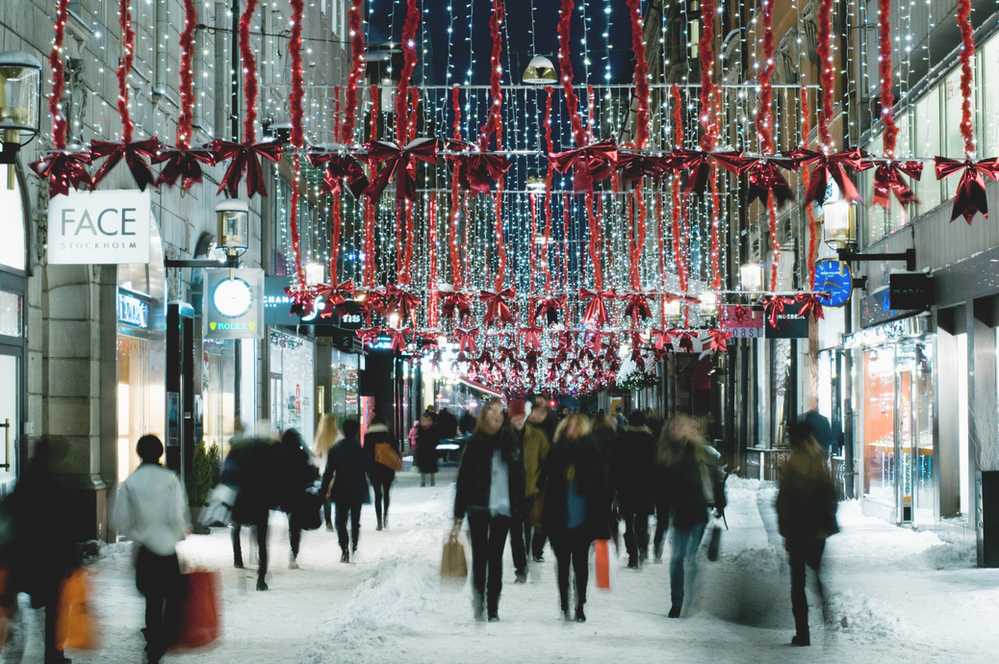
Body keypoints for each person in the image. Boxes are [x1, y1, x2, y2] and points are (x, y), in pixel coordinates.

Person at [113, 435, 191, 664]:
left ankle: (153, 643)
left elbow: (120, 519)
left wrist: (138, 533)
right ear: (160, 452)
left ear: (139, 453)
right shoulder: (170, 479)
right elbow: (177, 515)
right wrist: (182, 530)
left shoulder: (130, 482)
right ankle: (164, 639)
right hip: (167, 549)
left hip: (146, 550)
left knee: (152, 600)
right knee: (171, 596)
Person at [3, 438, 78, 664]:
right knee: (54, 609)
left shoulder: (22, 483)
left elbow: (9, 516)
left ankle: (14, 654)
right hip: (50, 558)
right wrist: (72, 559)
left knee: (14, 608)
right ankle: (53, 654)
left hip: (22, 555)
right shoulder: (55, 486)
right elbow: (65, 527)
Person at [452, 399, 524, 622]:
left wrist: (518, 505)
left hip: (503, 508)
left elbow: (520, 475)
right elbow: (463, 481)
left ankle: (493, 606)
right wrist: (458, 514)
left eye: (499, 417)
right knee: (480, 558)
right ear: (483, 420)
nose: (495, 421)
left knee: (495, 558)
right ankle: (478, 603)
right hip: (478, 508)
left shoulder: (510, 441)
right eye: (491, 417)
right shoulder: (473, 445)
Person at [539, 413, 609, 623]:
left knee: (580, 565)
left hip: (583, 518)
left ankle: (580, 605)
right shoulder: (556, 451)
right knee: (562, 565)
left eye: (576, 427)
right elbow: (542, 481)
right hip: (558, 517)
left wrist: (604, 517)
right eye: (569, 427)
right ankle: (564, 604)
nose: (572, 431)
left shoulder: (592, 453)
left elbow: (601, 487)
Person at [777, 420, 840, 647]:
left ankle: (803, 634)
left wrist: (784, 528)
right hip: (817, 533)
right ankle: (827, 613)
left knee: (798, 583)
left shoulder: (790, 466)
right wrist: (825, 524)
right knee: (816, 574)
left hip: (796, 533)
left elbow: (783, 502)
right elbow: (832, 496)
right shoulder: (820, 463)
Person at [656, 413, 726, 618]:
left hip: (697, 510)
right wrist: (662, 516)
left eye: (681, 427)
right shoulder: (666, 454)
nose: (679, 431)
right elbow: (661, 489)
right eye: (674, 427)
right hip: (679, 513)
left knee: (690, 557)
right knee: (678, 557)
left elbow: (716, 479)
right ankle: (677, 601)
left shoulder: (700, 453)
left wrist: (720, 502)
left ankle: (690, 595)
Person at [223, 420, 280, 590]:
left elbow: (230, 472)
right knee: (262, 539)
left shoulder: (245, 449)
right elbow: (276, 477)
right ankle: (261, 577)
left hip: (243, 497)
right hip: (261, 499)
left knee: (237, 526)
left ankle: (238, 558)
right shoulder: (271, 452)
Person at [322, 419, 371, 563]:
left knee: (340, 521)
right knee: (355, 521)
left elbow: (328, 472)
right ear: (356, 432)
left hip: (340, 489)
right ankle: (354, 546)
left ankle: (344, 549)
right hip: (357, 489)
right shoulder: (362, 451)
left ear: (343, 432)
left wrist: (324, 490)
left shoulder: (335, 450)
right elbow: (369, 470)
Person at [613, 410, 656, 568]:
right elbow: (655, 465)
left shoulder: (622, 439)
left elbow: (616, 465)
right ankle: (642, 547)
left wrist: (616, 486)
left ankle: (632, 555)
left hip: (627, 487)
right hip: (645, 487)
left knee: (629, 523)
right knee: (642, 522)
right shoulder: (650, 440)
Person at [279, 428, 317, 569]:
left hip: (284, 494)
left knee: (292, 521)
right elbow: (310, 473)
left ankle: (293, 551)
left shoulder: (280, 454)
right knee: (295, 527)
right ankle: (293, 554)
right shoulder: (302, 455)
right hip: (299, 494)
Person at [505, 399, 532, 583]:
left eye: (521, 417)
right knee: (516, 533)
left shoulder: (535, 436)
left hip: (531, 490)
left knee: (528, 531)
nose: (518, 421)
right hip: (510, 491)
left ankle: (529, 558)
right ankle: (521, 568)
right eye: (515, 418)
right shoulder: (504, 437)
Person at [524, 398, 553, 563]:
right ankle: (529, 550)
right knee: (527, 520)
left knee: (540, 518)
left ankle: (536, 551)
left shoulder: (546, 430)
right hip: (526, 482)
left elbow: (548, 457)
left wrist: (544, 477)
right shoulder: (522, 430)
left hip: (539, 482)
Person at [364, 415, 397, 530]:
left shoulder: (368, 436)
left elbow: (366, 453)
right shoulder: (389, 434)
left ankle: (378, 521)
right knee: (387, 493)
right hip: (388, 467)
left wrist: (366, 468)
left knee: (378, 494)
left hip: (374, 468)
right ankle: (385, 518)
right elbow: (395, 450)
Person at [313, 414, 341, 531]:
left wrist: (321, 464)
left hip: (325, 471)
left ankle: (328, 522)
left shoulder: (320, 438)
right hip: (338, 472)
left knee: (326, 497)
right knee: (339, 497)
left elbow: (315, 457)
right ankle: (339, 520)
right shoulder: (339, 437)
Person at [415, 411, 440, 487]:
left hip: (423, 449)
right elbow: (436, 438)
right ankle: (432, 482)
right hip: (430, 449)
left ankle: (423, 482)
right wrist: (434, 445)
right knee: (431, 466)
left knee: (423, 466)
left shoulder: (420, 429)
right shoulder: (433, 428)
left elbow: (418, 439)